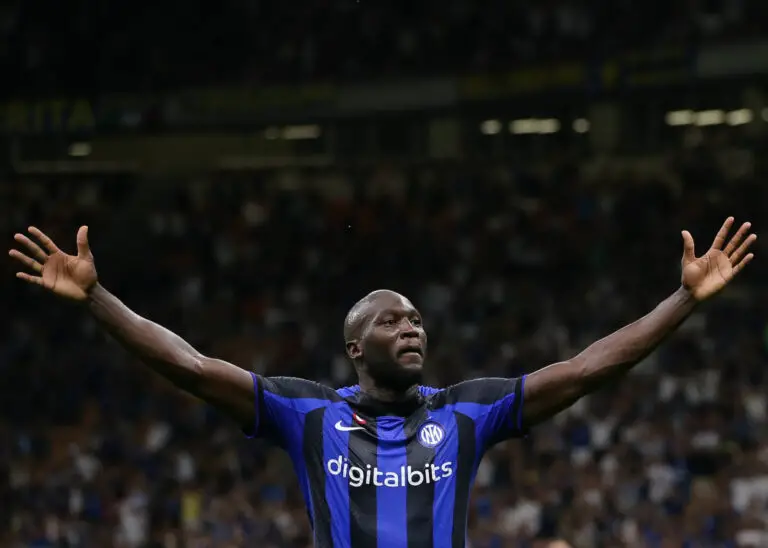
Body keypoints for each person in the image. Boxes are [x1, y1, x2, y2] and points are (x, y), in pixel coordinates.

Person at [8, 217, 756, 548]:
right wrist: (98, 300)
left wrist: (684, 300)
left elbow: (589, 369)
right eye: (392, 321)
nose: (412, 328)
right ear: (355, 345)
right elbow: (193, 367)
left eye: (418, 321)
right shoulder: (306, 412)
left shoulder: (468, 412)